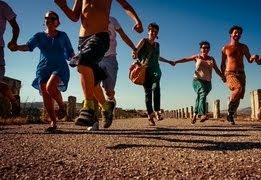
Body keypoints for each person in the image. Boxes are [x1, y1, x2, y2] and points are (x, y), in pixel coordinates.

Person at [55, 0, 143, 128]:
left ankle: (88, 108)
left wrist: (136, 20)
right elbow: (74, 16)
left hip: (100, 36)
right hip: (83, 39)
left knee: (82, 64)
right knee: (92, 79)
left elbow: (125, 5)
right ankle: (106, 107)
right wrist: (62, 5)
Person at [14, 11, 74, 132]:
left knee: (50, 87)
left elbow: (70, 52)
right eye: (46, 18)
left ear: (57, 22)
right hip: (43, 68)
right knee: (46, 94)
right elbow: (28, 46)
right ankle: (53, 122)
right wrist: (17, 47)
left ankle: (62, 106)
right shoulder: (39, 36)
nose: (49, 20)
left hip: (60, 66)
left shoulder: (63, 35)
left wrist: (76, 59)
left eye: (52, 18)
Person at [90, 16, 137, 130]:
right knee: (94, 88)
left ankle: (109, 107)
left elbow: (123, 35)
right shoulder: (92, 17)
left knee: (109, 92)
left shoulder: (113, 20)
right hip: (95, 58)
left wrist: (134, 48)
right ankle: (95, 122)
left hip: (110, 59)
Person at [173, 41, 226, 124]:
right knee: (202, 94)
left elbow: (216, 69)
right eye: (204, 47)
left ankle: (194, 115)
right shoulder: (197, 57)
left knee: (200, 97)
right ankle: (202, 114)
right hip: (197, 80)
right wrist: (176, 61)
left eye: (207, 47)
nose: (205, 49)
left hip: (208, 83)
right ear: (200, 49)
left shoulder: (211, 59)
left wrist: (223, 77)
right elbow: (185, 59)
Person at [134, 22, 173, 126]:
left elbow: (157, 57)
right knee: (148, 94)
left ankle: (157, 111)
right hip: (144, 71)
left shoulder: (157, 45)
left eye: (156, 32)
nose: (153, 33)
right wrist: (134, 54)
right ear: (148, 31)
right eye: (152, 31)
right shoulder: (143, 41)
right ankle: (150, 116)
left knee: (156, 88)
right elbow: (135, 51)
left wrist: (168, 61)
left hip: (156, 70)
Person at [221, 25, 258, 125]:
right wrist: (222, 76)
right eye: (235, 32)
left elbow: (249, 60)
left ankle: (231, 115)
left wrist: (253, 57)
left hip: (241, 74)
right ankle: (229, 113)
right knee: (238, 88)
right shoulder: (225, 48)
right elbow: (222, 63)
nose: (237, 34)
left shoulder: (244, 47)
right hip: (230, 73)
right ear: (231, 34)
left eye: (239, 33)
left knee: (238, 97)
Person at [0, 0, 20, 116]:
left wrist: (13, 41)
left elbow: (15, 27)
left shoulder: (2, 6)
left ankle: (13, 100)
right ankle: (13, 99)